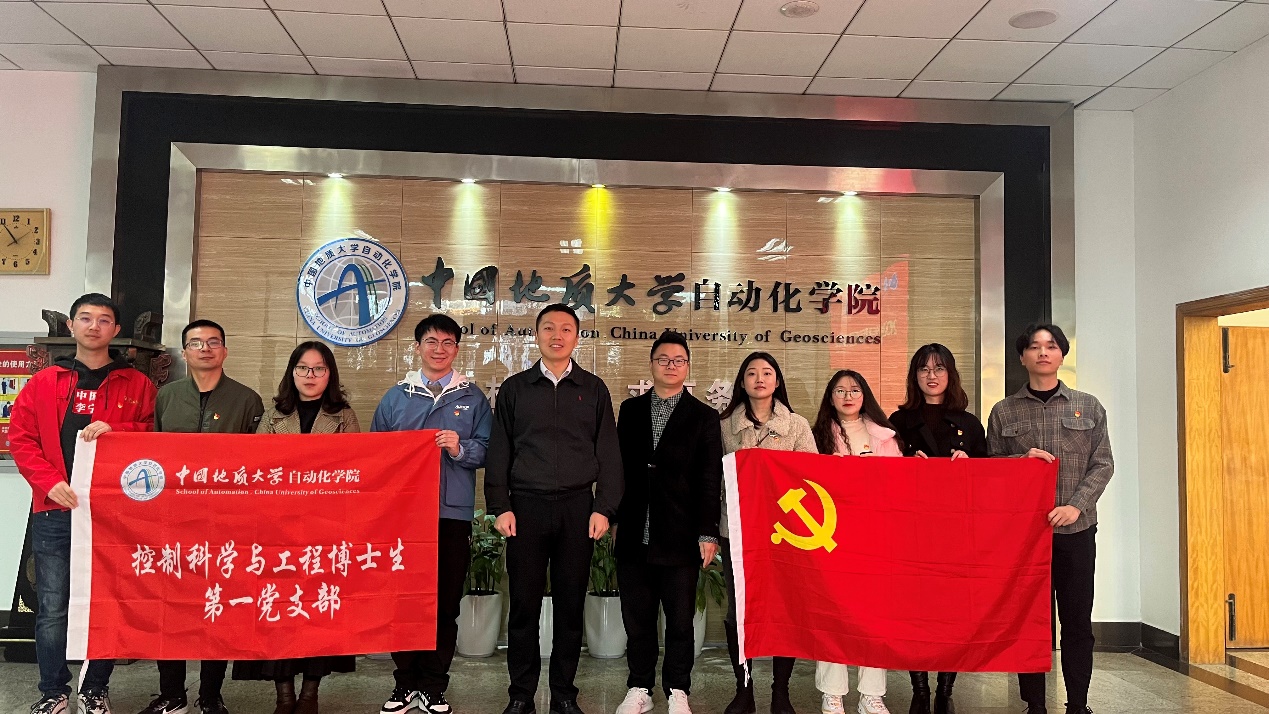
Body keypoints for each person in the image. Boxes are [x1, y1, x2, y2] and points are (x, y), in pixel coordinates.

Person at [10, 293, 157, 714]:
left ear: (116, 330)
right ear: (72, 326)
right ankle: (54, 692)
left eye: (104, 320)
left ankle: (95, 688)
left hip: (112, 513)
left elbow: (153, 434)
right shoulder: (45, 381)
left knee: (106, 603)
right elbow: (21, 438)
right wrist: (48, 482)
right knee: (52, 606)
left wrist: (119, 428)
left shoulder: (137, 384)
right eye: (86, 318)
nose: (94, 326)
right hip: (56, 508)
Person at [485, 303, 623, 714]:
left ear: (577, 337)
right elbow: (499, 451)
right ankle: (520, 695)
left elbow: (609, 453)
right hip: (525, 508)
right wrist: (500, 506)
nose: (557, 335)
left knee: (569, 606)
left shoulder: (593, 389)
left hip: (578, 509)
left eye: (566, 329)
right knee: (524, 606)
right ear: (537, 335)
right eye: (548, 328)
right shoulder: (515, 389)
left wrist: (604, 508)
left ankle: (564, 694)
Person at [139, 319, 265, 714]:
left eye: (213, 342)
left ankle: (210, 694)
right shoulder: (166, 396)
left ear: (225, 351)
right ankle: (172, 694)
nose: (205, 349)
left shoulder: (247, 400)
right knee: (170, 608)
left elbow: (259, 465)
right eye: (196, 343)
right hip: (172, 522)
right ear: (185, 352)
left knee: (217, 607)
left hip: (225, 523)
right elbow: (150, 456)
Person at [987, 324, 1113, 714]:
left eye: (1051, 346)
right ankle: (1035, 706)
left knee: (1077, 623)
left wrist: (1076, 505)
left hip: (1076, 532)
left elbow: (1103, 464)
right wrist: (1019, 460)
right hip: (1025, 537)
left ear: (1062, 354)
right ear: (1022, 356)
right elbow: (991, 469)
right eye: (1034, 347)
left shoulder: (1088, 406)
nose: (1043, 352)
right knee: (1030, 625)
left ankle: (1078, 704)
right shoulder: (1004, 411)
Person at [371, 315, 492, 714]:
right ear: (417, 347)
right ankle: (404, 684)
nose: (439, 349)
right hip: (403, 517)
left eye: (447, 342)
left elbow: (488, 450)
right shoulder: (396, 397)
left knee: (444, 605)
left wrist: (459, 448)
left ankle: (434, 686)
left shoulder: (473, 398)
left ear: (457, 348)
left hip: (451, 515)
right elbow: (375, 454)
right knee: (402, 603)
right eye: (431, 341)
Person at [231, 341, 359, 714]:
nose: (310, 375)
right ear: (292, 372)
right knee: (280, 614)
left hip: (324, 531)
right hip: (278, 532)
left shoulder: (343, 416)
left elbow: (355, 469)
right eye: (303, 368)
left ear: (330, 374)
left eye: (319, 368)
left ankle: (309, 695)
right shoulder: (274, 415)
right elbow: (258, 470)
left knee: (317, 614)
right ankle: (284, 696)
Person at [613, 332, 723, 714]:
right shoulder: (630, 410)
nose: (670, 365)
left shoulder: (704, 417)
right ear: (651, 364)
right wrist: (613, 516)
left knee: (679, 620)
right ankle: (639, 686)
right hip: (634, 531)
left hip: (681, 534)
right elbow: (618, 469)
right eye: (663, 359)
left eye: (678, 360)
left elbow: (710, 479)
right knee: (637, 619)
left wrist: (708, 532)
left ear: (688, 367)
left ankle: (678, 688)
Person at [887, 344, 988, 714]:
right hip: (912, 530)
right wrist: (907, 466)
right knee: (914, 610)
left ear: (951, 374)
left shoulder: (970, 423)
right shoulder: (897, 421)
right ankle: (919, 688)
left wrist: (969, 464)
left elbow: (989, 480)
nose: (932, 376)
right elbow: (885, 476)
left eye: (939, 368)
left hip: (956, 531)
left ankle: (946, 689)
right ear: (914, 375)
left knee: (952, 612)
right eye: (924, 369)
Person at [718, 352, 816, 714]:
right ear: (742, 382)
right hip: (737, 530)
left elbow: (810, 478)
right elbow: (713, 478)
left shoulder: (797, 426)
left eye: (767, 372)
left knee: (784, 610)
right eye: (751, 373)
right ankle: (743, 690)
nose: (759, 379)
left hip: (784, 534)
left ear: (777, 381)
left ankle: (781, 692)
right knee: (739, 612)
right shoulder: (724, 426)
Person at [809, 370, 901, 714]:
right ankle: (832, 692)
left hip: (875, 535)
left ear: (865, 396)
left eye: (855, 390)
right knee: (832, 615)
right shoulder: (816, 436)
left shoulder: (885, 436)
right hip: (830, 536)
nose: (848, 396)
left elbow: (900, 483)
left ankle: (871, 694)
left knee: (873, 616)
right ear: (830, 397)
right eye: (840, 391)